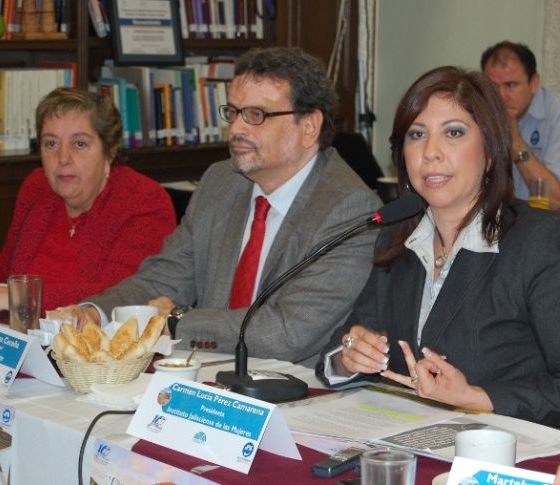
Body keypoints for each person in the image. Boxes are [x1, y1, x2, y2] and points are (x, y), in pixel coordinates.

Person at [58, 46, 381, 367]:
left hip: (296, 392)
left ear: (309, 126)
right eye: (233, 112)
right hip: (208, 377)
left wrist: (177, 321)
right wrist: (95, 313)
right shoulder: (221, 181)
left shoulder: (348, 209)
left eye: (256, 115)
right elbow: (165, 278)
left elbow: (286, 333)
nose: (237, 129)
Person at [315, 66, 560, 427]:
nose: (430, 152)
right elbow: (341, 346)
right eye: (416, 135)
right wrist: (350, 355)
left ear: (490, 150)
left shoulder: (541, 241)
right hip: (411, 445)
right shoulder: (398, 239)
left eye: (453, 133)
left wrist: (478, 397)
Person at [0, 87, 176, 315]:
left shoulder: (144, 201)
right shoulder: (37, 187)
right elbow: (13, 267)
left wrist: (16, 296)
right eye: (51, 143)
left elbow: (120, 295)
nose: (62, 158)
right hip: (24, 334)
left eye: (79, 143)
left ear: (109, 151)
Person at [481, 41, 560, 221]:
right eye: (493, 87)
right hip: (514, 220)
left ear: (533, 83)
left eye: (511, 85)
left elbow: (554, 201)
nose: (501, 96)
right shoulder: (483, 116)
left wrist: (515, 141)